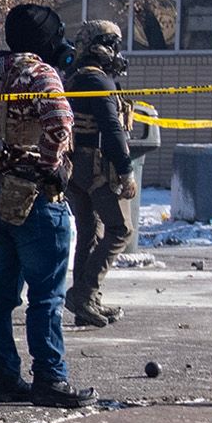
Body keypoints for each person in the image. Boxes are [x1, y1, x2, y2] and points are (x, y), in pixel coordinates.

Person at [0, 3, 87, 409]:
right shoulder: (41, 74)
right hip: (34, 200)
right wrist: (44, 167)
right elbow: (61, 123)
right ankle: (50, 378)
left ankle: (4, 378)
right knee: (46, 293)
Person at [62, 17, 141, 326]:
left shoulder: (75, 78)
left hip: (74, 168)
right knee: (121, 229)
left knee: (88, 234)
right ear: (103, 48)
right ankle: (84, 294)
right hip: (96, 166)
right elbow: (111, 129)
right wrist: (126, 171)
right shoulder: (99, 82)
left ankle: (87, 302)